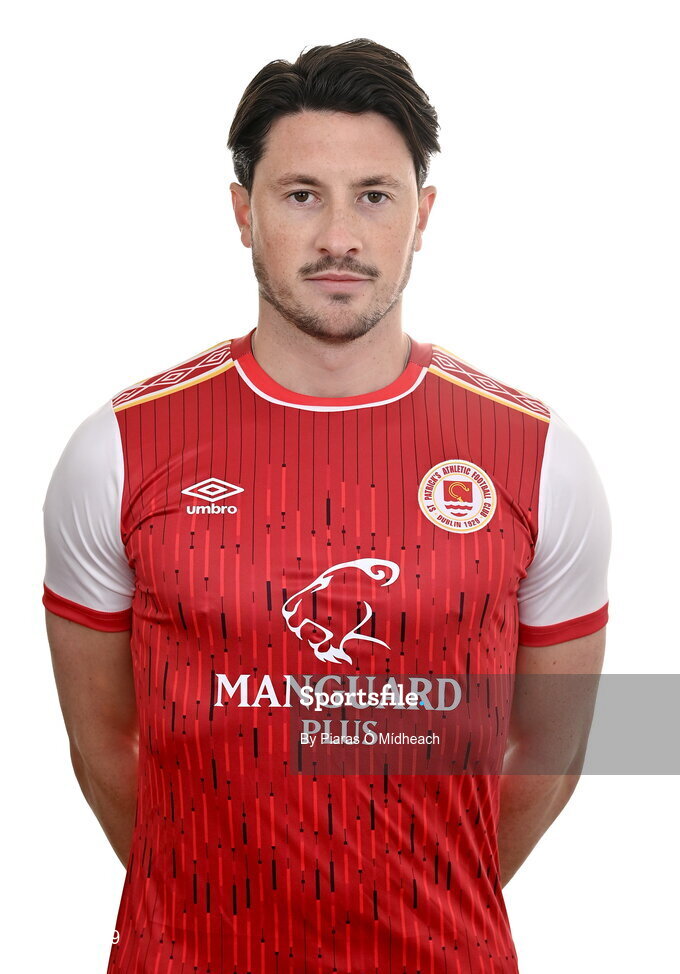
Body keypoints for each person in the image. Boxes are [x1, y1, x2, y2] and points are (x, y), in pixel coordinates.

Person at [42, 37, 611, 974]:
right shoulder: (115, 449)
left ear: (422, 216)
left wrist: (419, 909)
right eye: (301, 194)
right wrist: (212, 909)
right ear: (243, 211)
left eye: (374, 197)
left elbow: (553, 750)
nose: (339, 236)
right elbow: (103, 741)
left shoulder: (542, 458)